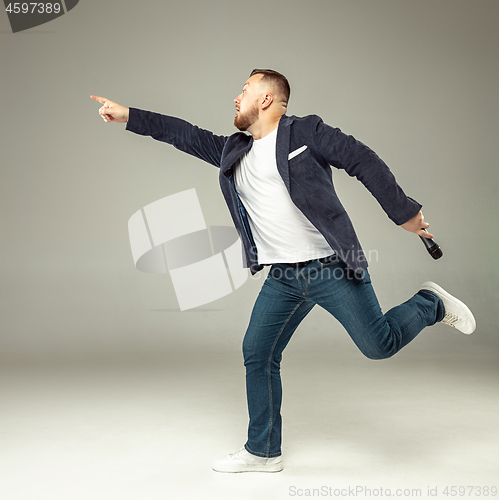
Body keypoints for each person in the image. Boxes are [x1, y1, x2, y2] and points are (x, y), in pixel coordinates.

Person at [90, 69, 476, 473]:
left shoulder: (306, 133)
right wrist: (129, 115)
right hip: (284, 278)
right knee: (257, 352)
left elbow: (362, 159)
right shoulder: (232, 151)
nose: (236, 98)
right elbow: (183, 133)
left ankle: (429, 303)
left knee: (378, 345)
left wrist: (404, 212)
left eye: (244, 90)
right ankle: (263, 451)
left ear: (268, 99)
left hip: (329, 268)